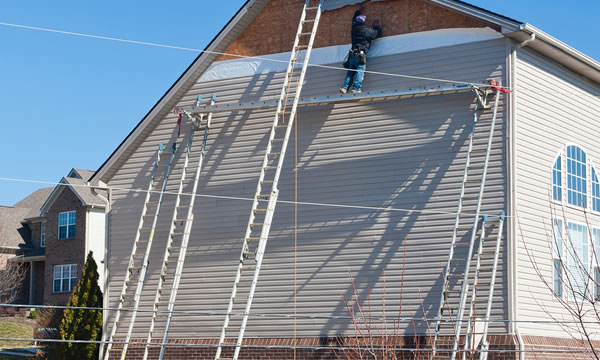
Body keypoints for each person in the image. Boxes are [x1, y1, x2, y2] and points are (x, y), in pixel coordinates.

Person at [340, 5, 382, 94]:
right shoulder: (366, 32)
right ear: (363, 23)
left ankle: (345, 87)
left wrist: (357, 11)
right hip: (360, 56)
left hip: (352, 55)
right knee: (359, 71)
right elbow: (377, 34)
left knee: (350, 72)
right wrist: (376, 26)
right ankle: (356, 89)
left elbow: (353, 21)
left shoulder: (353, 29)